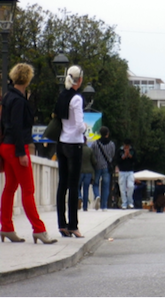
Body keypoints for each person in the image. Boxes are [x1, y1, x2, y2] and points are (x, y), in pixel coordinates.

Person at [0, 63, 57, 244]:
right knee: (28, 190)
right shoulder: (18, 100)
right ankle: (38, 229)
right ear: (27, 78)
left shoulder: (8, 97)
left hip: (6, 146)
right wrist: (21, 152)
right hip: (18, 147)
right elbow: (18, 127)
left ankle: (7, 227)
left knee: (9, 188)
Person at [55, 65, 87, 238]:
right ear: (79, 80)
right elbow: (79, 125)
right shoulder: (77, 98)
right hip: (74, 144)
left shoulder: (62, 96)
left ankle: (62, 224)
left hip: (61, 143)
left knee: (62, 184)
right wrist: (85, 129)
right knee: (74, 186)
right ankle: (73, 225)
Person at [91, 126, 115, 211]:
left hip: (97, 166)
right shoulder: (111, 144)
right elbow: (112, 155)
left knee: (95, 183)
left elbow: (92, 154)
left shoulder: (95, 143)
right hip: (106, 167)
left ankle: (97, 195)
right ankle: (104, 206)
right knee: (106, 186)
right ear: (107, 134)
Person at [78, 136, 97, 211]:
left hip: (79, 171)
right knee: (86, 189)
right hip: (89, 172)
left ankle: (79, 197)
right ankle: (85, 207)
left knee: (76, 187)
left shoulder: (77, 150)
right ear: (86, 141)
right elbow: (94, 161)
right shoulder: (90, 150)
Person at [117, 138, 137, 209]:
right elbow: (117, 160)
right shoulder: (120, 150)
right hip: (122, 171)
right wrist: (124, 156)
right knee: (122, 188)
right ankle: (124, 203)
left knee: (131, 186)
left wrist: (130, 156)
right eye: (126, 146)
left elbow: (135, 160)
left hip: (130, 171)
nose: (127, 148)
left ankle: (130, 202)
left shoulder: (132, 150)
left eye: (128, 146)